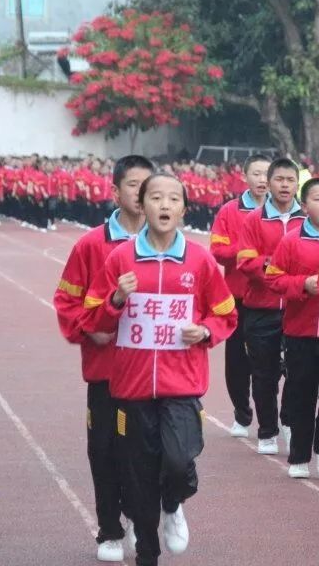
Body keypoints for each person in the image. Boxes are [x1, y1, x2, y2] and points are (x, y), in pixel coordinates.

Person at [80, 173, 238, 566]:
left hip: (182, 384)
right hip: (131, 388)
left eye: (173, 199)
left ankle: (174, 501)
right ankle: (147, 554)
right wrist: (117, 298)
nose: (164, 205)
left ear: (185, 208)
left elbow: (226, 315)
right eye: (155, 198)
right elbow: (93, 319)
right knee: (138, 476)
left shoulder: (199, 260)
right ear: (141, 205)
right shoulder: (120, 259)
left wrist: (203, 331)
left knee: (180, 460)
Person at [53, 154, 154, 563]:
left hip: (154, 371)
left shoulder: (172, 246)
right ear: (115, 191)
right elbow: (66, 300)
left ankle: (147, 511)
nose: (142, 193)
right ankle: (110, 529)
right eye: (133, 185)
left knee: (153, 451)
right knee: (106, 449)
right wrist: (88, 328)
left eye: (149, 186)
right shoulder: (92, 244)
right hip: (108, 370)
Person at [265, 177, 319, 479]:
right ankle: (299, 455)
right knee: (301, 392)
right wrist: (303, 284)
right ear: (305, 205)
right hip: (300, 332)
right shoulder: (291, 241)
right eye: (318, 199)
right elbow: (273, 279)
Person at [236, 158, 306, 454]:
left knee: (298, 371)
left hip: (297, 308)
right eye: (280, 179)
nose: (285, 185)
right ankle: (267, 429)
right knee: (263, 372)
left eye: (291, 180)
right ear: (270, 182)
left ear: (297, 184)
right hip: (260, 307)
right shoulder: (253, 219)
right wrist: (272, 262)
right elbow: (245, 262)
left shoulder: (309, 219)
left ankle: (288, 420)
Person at [209, 155, 271, 438]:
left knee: (270, 362)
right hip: (237, 298)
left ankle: (275, 418)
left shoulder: (283, 215)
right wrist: (247, 252)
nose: (262, 179)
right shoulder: (229, 211)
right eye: (256, 174)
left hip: (271, 298)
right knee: (236, 361)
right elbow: (218, 251)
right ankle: (242, 413)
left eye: (266, 174)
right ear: (245, 177)